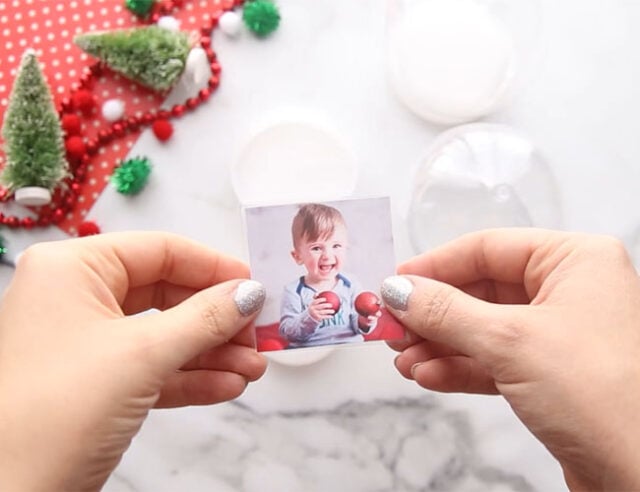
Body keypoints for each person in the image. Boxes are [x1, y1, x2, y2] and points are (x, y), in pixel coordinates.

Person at [0, 228, 639, 491]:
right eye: (317, 252)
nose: (329, 260)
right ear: (301, 257)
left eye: (336, 248)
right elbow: (300, 320)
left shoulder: (349, 287)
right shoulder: (293, 292)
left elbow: (363, 313)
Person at [279, 203, 380, 348]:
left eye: (336, 246)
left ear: (346, 248)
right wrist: (310, 317)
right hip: (311, 353)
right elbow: (287, 332)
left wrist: (365, 320)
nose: (327, 255)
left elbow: (358, 325)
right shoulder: (293, 291)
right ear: (298, 256)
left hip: (349, 348)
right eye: (316, 248)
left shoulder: (350, 284)